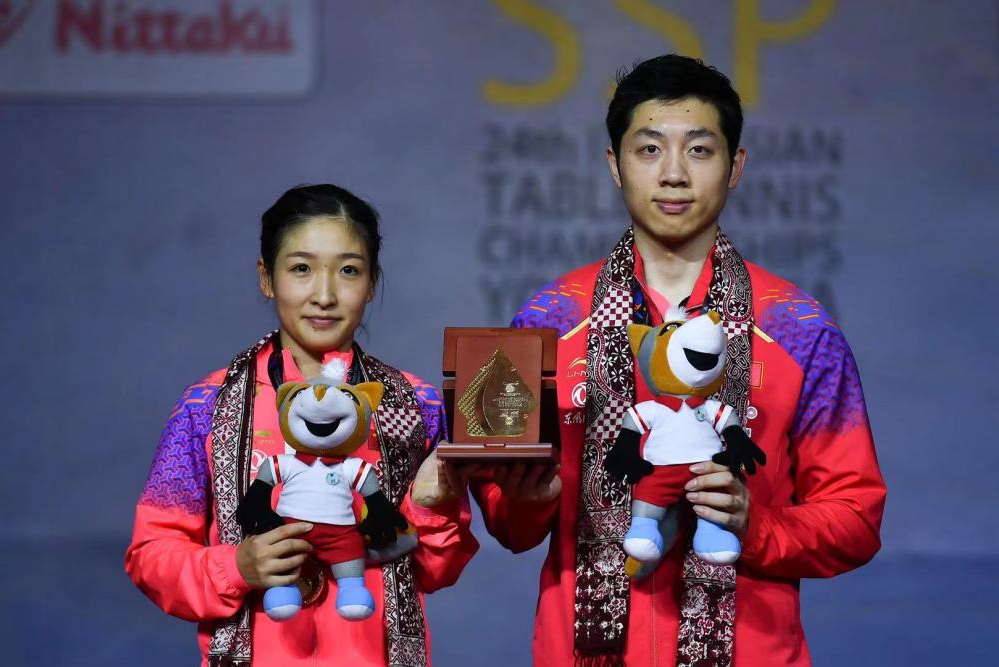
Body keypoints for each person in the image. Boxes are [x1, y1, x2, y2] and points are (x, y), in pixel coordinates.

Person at [468, 55, 886, 666]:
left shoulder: (799, 330)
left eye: (699, 150)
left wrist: (756, 525)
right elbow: (506, 521)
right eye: (648, 150)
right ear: (614, 166)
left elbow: (855, 516)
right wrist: (531, 499)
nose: (673, 175)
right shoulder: (546, 321)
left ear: (735, 167)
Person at [126, 184, 479, 666]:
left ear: (372, 283)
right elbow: (151, 555)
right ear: (266, 278)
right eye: (301, 269)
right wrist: (236, 568)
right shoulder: (208, 406)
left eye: (349, 270)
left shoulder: (415, 406)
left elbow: (438, 568)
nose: (325, 295)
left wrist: (426, 508)